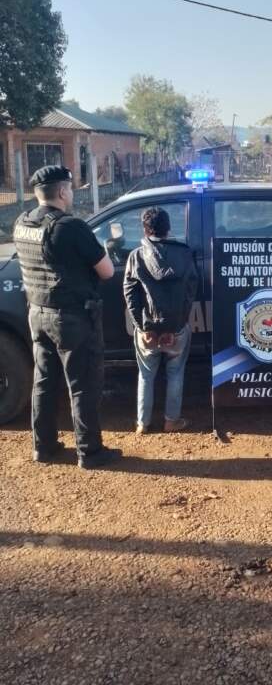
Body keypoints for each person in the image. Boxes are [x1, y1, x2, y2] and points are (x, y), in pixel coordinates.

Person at [13, 165, 122, 470]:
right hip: (70, 319)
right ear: (62, 191)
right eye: (71, 189)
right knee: (83, 383)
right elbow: (107, 271)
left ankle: (43, 447)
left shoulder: (22, 223)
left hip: (37, 313)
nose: (71, 194)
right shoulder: (70, 226)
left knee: (44, 381)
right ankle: (90, 452)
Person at [123, 207, 198, 434]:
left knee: (146, 375)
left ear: (145, 230)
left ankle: (142, 424)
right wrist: (177, 324)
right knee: (175, 373)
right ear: (169, 228)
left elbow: (130, 294)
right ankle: (171, 421)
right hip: (176, 329)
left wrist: (141, 326)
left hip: (147, 330)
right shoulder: (184, 254)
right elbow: (190, 291)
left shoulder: (136, 256)